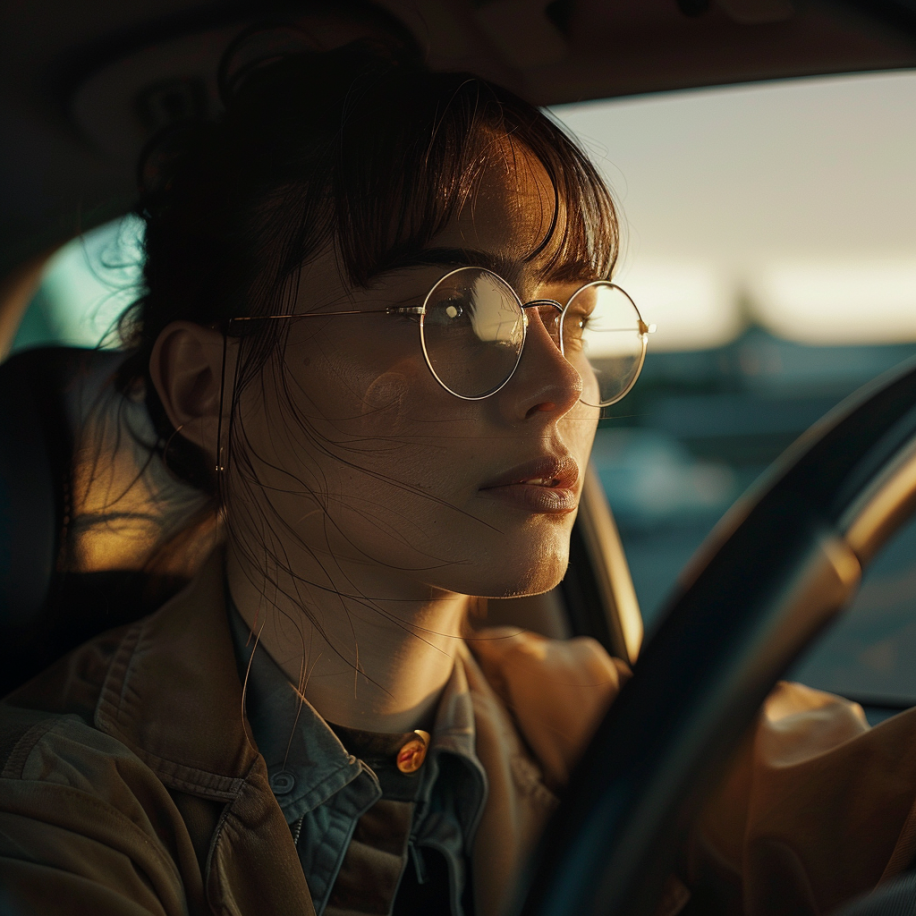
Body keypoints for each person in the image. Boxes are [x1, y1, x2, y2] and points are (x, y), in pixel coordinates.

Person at [2, 32, 916, 916]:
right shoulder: (57, 810)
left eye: (577, 318)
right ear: (208, 388)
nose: (567, 384)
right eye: (461, 315)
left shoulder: (585, 715)